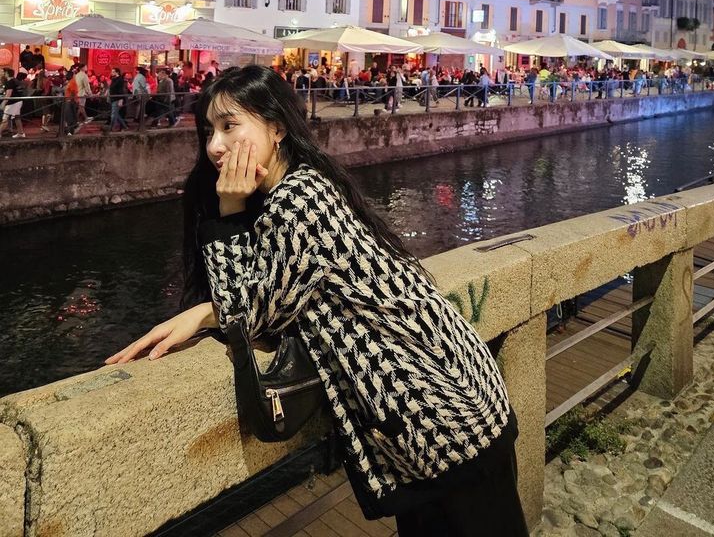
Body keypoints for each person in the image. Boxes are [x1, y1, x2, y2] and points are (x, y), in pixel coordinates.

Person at [106, 66, 528, 537]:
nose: (214, 146)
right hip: (447, 411)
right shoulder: (305, 184)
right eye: (209, 130)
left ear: (277, 128)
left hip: (444, 420)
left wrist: (226, 219)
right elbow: (269, 295)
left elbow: (246, 311)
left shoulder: (299, 201)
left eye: (229, 126)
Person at [0, 69, 26, 138]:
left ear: (7, 73)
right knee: (17, 118)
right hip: (18, 101)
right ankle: (21, 133)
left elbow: (8, 94)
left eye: (3, 72)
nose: (3, 74)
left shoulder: (10, 82)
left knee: (5, 119)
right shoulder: (15, 81)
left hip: (12, 103)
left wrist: (3, 103)